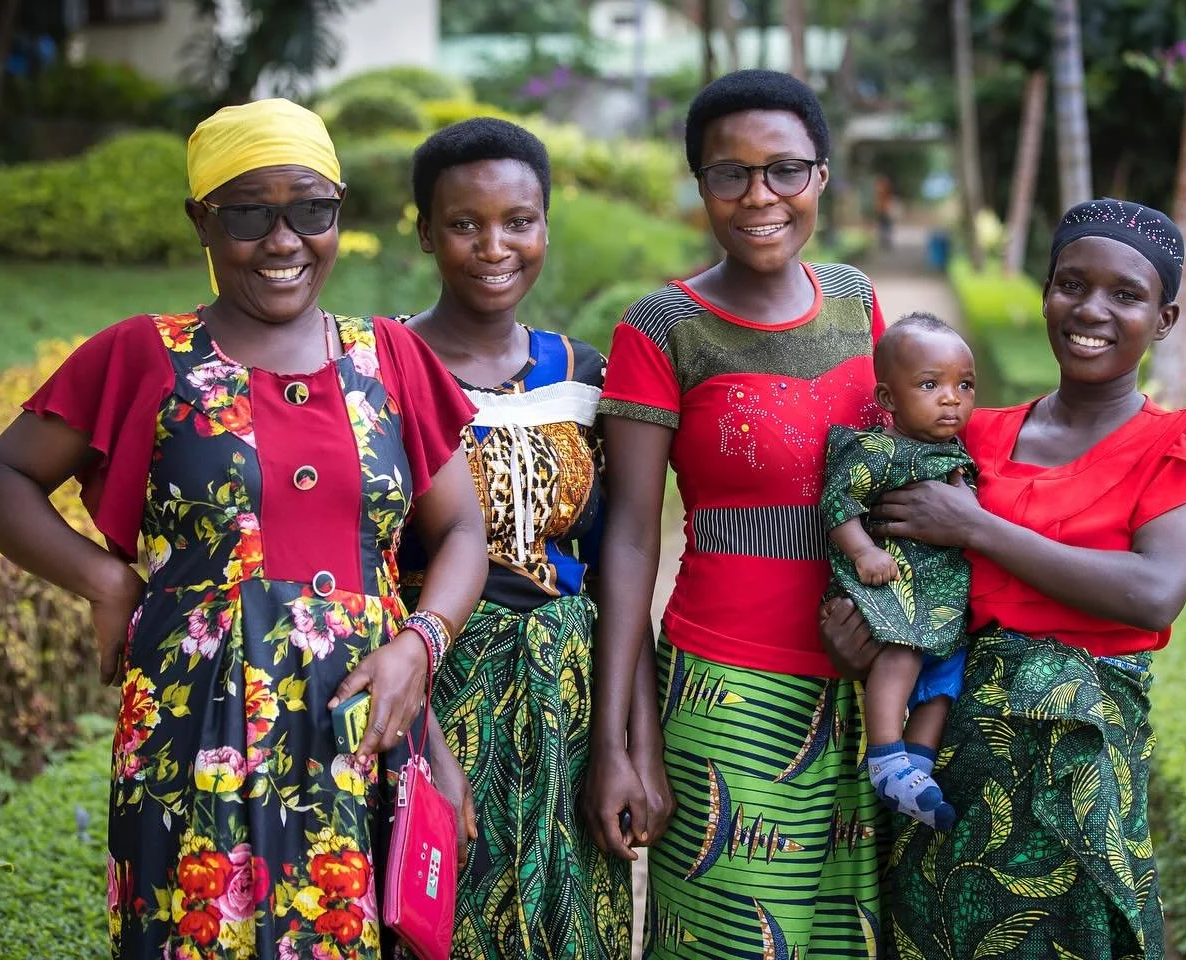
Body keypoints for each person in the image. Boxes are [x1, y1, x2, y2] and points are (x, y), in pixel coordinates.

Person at [0, 98, 489, 959]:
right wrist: (106, 580)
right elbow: (0, 481)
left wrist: (422, 642)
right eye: (248, 213)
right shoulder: (146, 354)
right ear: (200, 222)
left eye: (312, 209)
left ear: (339, 212)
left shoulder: (389, 356)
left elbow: (461, 527)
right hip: (192, 733)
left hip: (364, 727)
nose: (284, 241)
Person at [822, 198, 1186, 959]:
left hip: (1079, 773)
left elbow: (1153, 590)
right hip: (944, 761)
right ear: (1046, 291)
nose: (1091, 309)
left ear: (1166, 318)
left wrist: (979, 527)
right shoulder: (972, 433)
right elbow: (897, 560)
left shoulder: (1185, 444)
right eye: (1070, 284)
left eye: (1126, 294)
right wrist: (867, 635)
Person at [583, 69, 888, 958]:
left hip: (868, 691)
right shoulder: (663, 328)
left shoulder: (857, 300)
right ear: (701, 185)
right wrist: (618, 740)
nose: (761, 196)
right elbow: (632, 539)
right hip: (730, 695)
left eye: (785, 170)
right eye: (730, 173)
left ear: (821, 176)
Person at [396, 117, 664, 959]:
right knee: (431, 917)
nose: (493, 245)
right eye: (463, 224)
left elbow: (622, 566)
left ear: (545, 223)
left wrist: (630, 746)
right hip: (431, 693)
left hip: (569, 705)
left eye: (518, 220)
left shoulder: (583, 374)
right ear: (425, 232)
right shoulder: (379, 368)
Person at [821, 312, 975, 831]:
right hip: (894, 586)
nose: (951, 398)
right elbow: (837, 501)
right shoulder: (879, 450)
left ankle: (918, 768)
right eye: (930, 385)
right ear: (888, 399)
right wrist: (864, 551)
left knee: (946, 678)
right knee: (903, 654)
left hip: (942, 597)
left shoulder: (955, 451)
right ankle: (886, 757)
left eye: (964, 386)